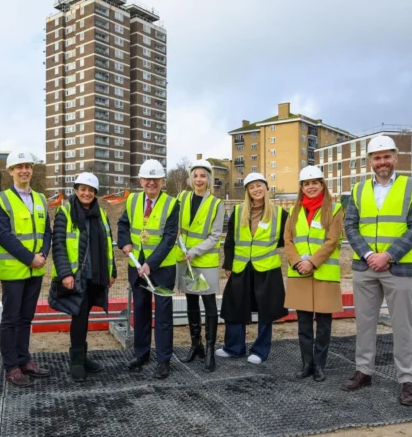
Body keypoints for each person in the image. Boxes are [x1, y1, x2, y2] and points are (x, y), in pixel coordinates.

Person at [342, 135, 412, 407]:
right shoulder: (357, 190)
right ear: (369, 161)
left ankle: (407, 380)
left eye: (386, 156)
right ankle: (364, 371)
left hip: (397, 268)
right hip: (365, 266)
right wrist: (369, 255)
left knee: (402, 326)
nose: (382, 162)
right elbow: (351, 226)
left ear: (395, 158)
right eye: (377, 158)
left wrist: (388, 255)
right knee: (364, 323)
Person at [0, 150, 52, 387]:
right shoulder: (1, 200)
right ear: (11, 171)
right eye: (19, 167)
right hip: (15, 270)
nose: (24, 170)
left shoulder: (40, 199)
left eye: (28, 166)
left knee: (26, 318)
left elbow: (47, 231)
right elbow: (4, 235)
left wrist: (43, 254)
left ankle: (24, 360)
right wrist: (30, 258)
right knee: (11, 319)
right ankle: (11, 367)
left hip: (35, 269)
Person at [49, 173, 117, 382]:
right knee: (78, 316)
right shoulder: (65, 212)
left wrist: (112, 271)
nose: (86, 193)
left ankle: (82, 357)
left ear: (95, 193)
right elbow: (58, 245)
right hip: (75, 276)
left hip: (94, 274)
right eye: (82, 189)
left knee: (85, 316)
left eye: (90, 190)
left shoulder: (101, 214)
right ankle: (76, 361)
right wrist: (65, 274)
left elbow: (107, 244)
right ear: (76, 190)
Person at [117, 159, 180, 379]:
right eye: (147, 179)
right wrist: (124, 243)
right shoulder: (132, 200)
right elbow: (123, 224)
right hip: (137, 266)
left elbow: (169, 238)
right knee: (141, 311)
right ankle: (142, 354)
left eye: (155, 179)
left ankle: (164, 360)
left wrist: (149, 264)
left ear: (163, 181)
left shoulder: (172, 204)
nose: (151, 183)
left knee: (163, 315)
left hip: (161, 269)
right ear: (141, 180)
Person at [218, 172, 289, 365]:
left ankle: (260, 350)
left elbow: (287, 239)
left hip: (266, 269)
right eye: (251, 187)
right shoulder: (239, 211)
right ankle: (234, 347)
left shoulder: (280, 213)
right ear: (247, 191)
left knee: (266, 310)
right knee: (234, 307)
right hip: (241, 267)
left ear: (266, 187)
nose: (256, 189)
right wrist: (228, 264)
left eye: (259, 185)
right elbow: (230, 239)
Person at [285, 166, 344, 382]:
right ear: (301, 187)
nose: (311, 187)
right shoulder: (293, 212)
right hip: (300, 273)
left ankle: (320, 365)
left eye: (315, 183)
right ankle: (306, 364)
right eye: (306, 184)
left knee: (324, 324)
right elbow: (288, 240)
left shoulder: (334, 209)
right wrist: (297, 262)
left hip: (324, 273)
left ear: (322, 185)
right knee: (303, 324)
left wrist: (312, 262)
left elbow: (332, 241)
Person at [176, 159, 225, 372]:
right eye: (195, 175)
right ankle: (196, 345)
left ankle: (210, 350)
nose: (198, 179)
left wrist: (193, 251)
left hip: (204, 261)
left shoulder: (216, 204)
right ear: (190, 178)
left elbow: (215, 236)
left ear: (209, 179)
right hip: (186, 260)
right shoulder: (182, 197)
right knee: (191, 302)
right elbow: (175, 224)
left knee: (209, 305)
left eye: (203, 176)